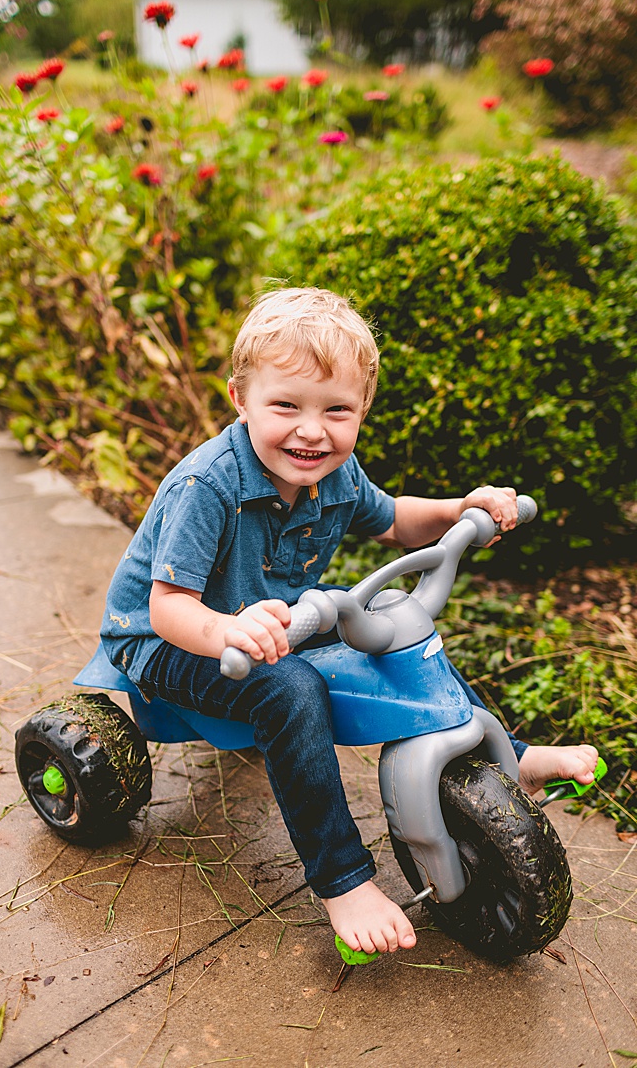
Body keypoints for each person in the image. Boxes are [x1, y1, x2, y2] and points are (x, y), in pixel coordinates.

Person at [99, 286, 600, 960]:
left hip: (282, 617)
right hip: (169, 639)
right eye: (286, 406)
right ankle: (344, 879)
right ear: (239, 399)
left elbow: (394, 520)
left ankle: (508, 751)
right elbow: (167, 607)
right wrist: (227, 630)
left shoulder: (332, 474)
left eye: (337, 410)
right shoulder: (208, 488)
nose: (313, 430)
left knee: (398, 623)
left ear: (361, 410)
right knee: (292, 689)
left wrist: (462, 510)